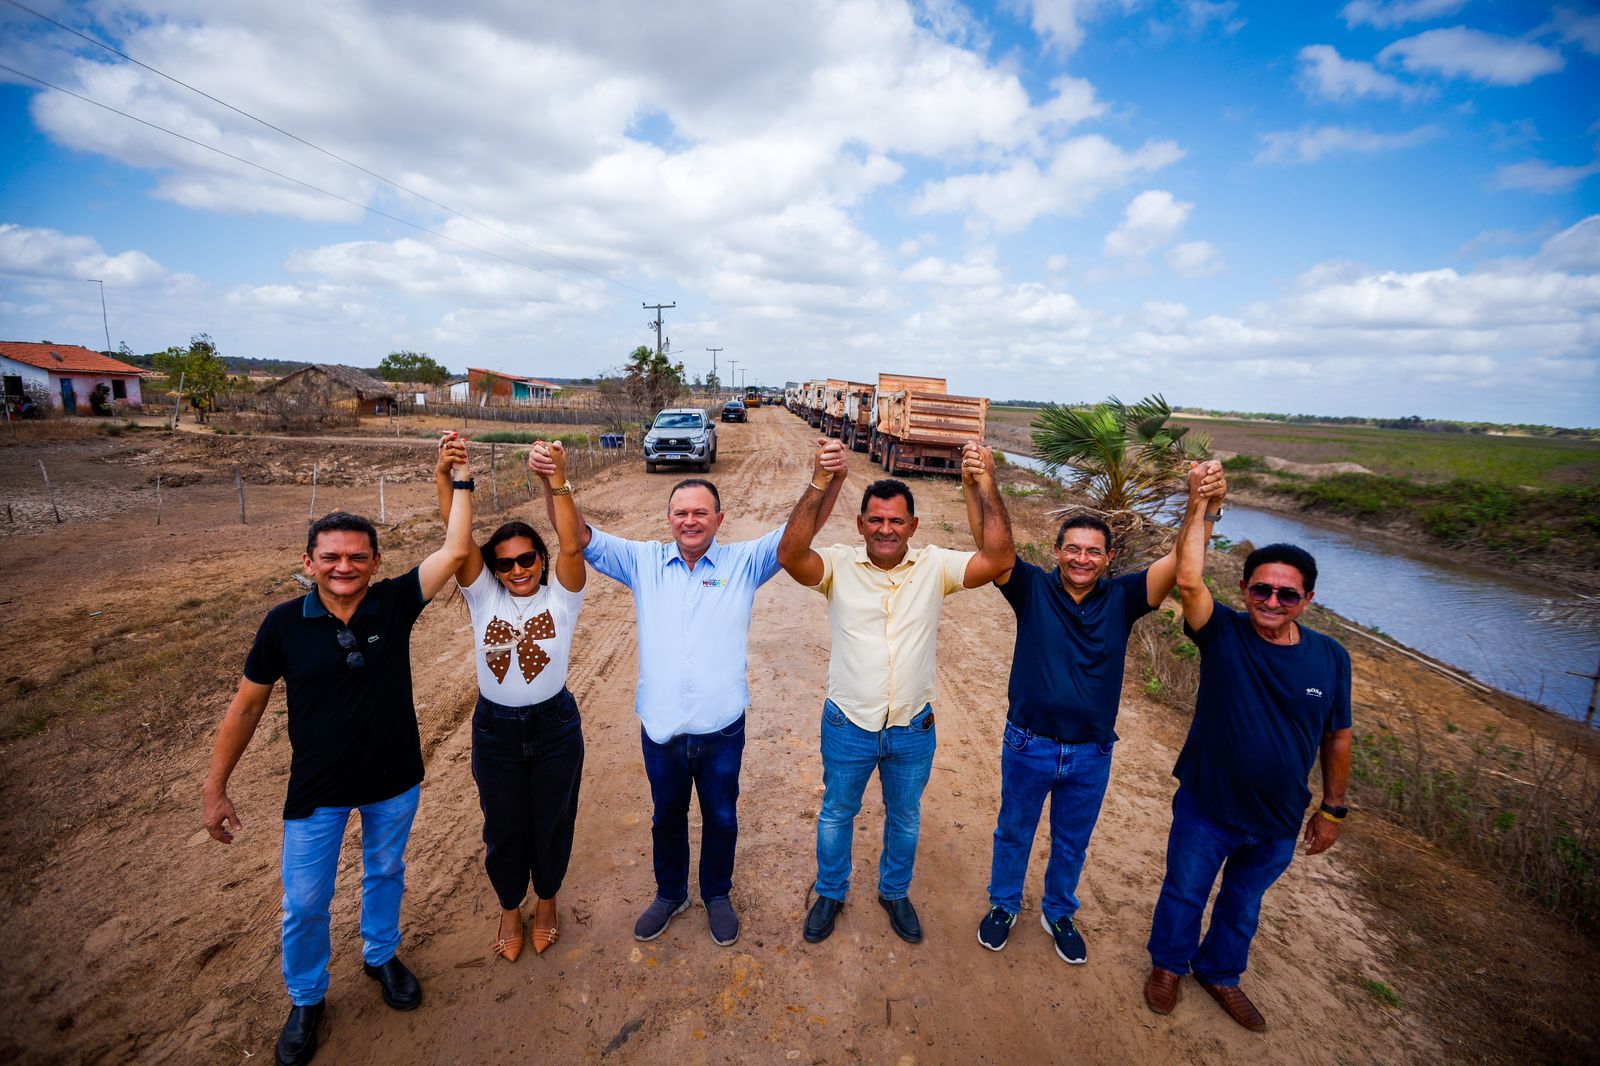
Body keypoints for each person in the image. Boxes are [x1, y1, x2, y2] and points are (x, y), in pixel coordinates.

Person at [201, 441, 475, 1066]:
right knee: (304, 902)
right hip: (317, 788)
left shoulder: (395, 602)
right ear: (309, 562)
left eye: (356, 556)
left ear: (376, 561)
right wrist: (215, 787)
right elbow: (246, 707)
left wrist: (457, 477)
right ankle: (306, 997)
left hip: (393, 777)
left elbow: (457, 549)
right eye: (330, 556)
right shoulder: (282, 625)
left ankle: (381, 956)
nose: (344, 566)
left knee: (385, 871)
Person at [530, 440, 845, 947]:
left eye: (700, 513)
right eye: (681, 513)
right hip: (661, 727)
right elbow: (576, 536)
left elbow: (797, 534)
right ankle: (671, 893)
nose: (690, 521)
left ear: (720, 519)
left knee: (721, 817)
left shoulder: (744, 562)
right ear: (669, 519)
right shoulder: (643, 561)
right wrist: (555, 481)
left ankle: (717, 894)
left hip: (722, 727)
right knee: (667, 817)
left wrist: (826, 480)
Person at [965, 460, 1226, 964]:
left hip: (1091, 752)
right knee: (1013, 832)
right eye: (1073, 549)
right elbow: (992, 545)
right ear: (1057, 552)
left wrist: (1202, 505)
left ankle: (1059, 912)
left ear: (1108, 558)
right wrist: (978, 482)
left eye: (1092, 551)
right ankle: (1003, 906)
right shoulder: (1031, 587)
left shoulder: (1127, 597)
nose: (1081, 559)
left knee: (1072, 842)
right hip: (1029, 742)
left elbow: (1181, 562)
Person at [779, 440, 1013, 945]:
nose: (886, 529)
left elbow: (998, 558)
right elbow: (790, 554)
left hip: (912, 726)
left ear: (913, 526)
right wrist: (821, 481)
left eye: (896, 521)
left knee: (905, 816)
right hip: (848, 722)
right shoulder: (838, 566)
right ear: (860, 524)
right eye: (876, 520)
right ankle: (830, 892)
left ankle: (894, 892)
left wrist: (985, 483)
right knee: (837, 812)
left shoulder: (936, 567)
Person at [1142, 471, 1353, 1032]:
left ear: (1307, 600)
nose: (1272, 601)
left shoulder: (1331, 657)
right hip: (1208, 805)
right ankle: (1168, 966)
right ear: (1243, 590)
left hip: (1279, 817)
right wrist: (1203, 506)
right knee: (1185, 892)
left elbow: (1337, 735)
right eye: (1261, 590)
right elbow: (1189, 580)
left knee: (1243, 904)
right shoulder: (1223, 633)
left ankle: (1220, 973)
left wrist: (1333, 809)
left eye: (1287, 594)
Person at [432, 433, 586, 963]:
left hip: (554, 726)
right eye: (505, 564)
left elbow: (572, 544)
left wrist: (556, 478)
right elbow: (457, 540)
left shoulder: (562, 598)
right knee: (503, 824)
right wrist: (449, 475)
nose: (517, 570)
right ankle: (508, 906)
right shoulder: (483, 598)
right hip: (495, 729)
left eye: (526, 559)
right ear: (493, 569)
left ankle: (547, 901)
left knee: (553, 818)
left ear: (541, 560)